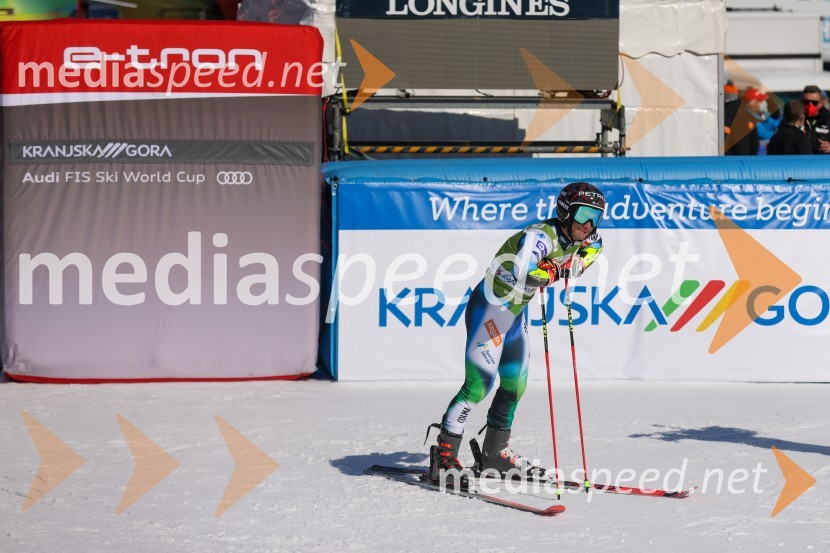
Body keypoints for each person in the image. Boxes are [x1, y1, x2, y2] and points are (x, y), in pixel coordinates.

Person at [424, 182, 605, 486]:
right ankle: (444, 457)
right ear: (565, 210)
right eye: (584, 213)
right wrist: (553, 271)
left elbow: (595, 249)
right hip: (490, 312)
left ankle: (494, 453)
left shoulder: (585, 236)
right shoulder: (540, 236)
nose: (589, 224)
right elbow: (524, 270)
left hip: (514, 315)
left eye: (596, 216)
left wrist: (571, 266)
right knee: (478, 386)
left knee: (515, 385)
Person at [724, 84, 759, 155]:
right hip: (745, 159)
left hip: (723, 161)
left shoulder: (718, 115)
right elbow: (754, 143)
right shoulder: (749, 116)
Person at [801, 85, 830, 154]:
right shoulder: (794, 118)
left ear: (820, 103)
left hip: (822, 162)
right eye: (807, 102)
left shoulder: (828, 118)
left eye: (814, 103)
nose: (810, 105)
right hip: (800, 162)